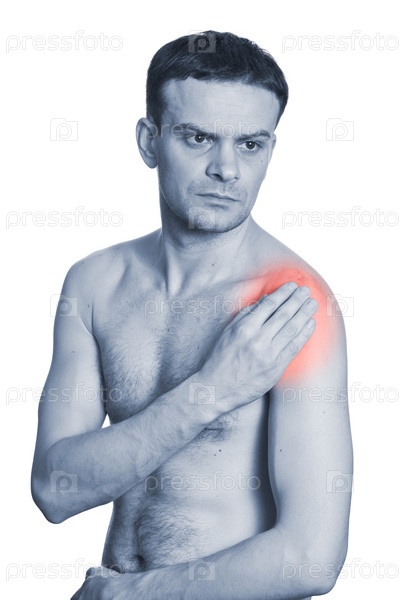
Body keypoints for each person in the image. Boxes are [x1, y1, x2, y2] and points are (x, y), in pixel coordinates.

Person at [31, 31, 353, 600]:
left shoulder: (292, 304)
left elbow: (310, 560)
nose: (226, 169)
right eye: (199, 138)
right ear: (149, 141)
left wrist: (126, 595)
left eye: (250, 144)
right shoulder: (94, 284)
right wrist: (210, 392)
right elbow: (55, 490)